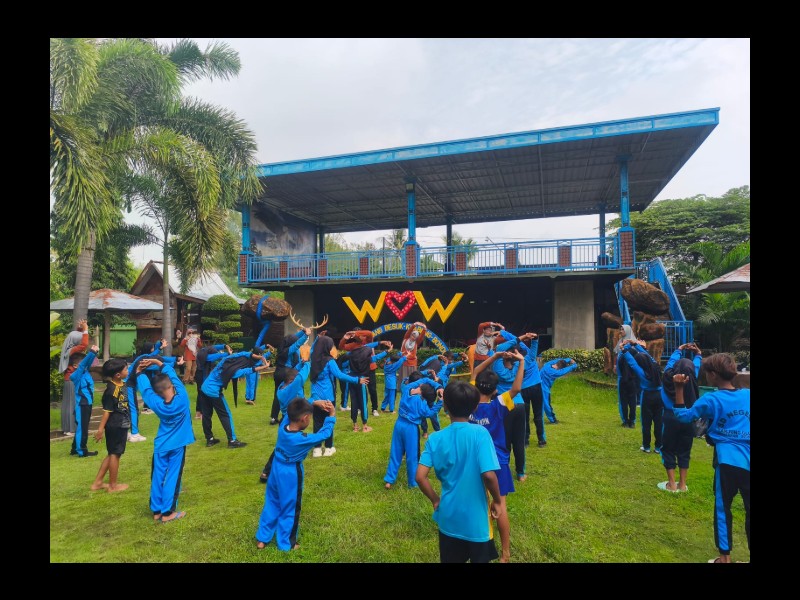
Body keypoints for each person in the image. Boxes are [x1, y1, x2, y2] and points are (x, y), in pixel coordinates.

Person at [671, 353, 749, 564]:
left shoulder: (711, 399)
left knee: (723, 509)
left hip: (727, 462)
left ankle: (724, 558)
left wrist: (679, 389)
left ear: (713, 375)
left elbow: (683, 416)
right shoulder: (748, 396)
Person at [416, 381, 504, 563]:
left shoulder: (435, 438)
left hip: (448, 519)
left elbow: (420, 477)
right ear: (475, 407)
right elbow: (489, 475)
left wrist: (435, 500)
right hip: (477, 522)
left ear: (445, 406)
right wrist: (497, 500)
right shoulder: (480, 434)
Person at [256, 397, 336, 551]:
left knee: (272, 502)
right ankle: (287, 543)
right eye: (309, 418)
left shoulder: (283, 425)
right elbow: (324, 434)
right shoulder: (300, 439)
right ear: (305, 418)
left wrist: (313, 402)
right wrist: (331, 415)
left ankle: (262, 539)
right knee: (290, 507)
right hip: (290, 473)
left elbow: (292, 408)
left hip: (276, 468)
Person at [471, 348, 526, 562]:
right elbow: (517, 388)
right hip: (498, 462)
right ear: (495, 390)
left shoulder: (469, 403)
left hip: (475, 461)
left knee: (478, 503)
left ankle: (477, 541)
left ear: (477, 386)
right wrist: (521, 361)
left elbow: (476, 372)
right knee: (500, 505)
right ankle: (505, 553)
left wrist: (493, 357)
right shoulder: (499, 404)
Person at [136, 358, 195, 523]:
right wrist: (157, 362)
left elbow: (146, 390)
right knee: (172, 476)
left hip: (161, 445)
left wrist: (139, 372)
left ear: (157, 392)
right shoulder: (182, 398)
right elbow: (173, 376)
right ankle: (168, 513)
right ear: (171, 386)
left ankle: (156, 511)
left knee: (158, 476)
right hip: (177, 445)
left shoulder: (155, 402)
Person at [383, 371, 443, 489]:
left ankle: (389, 481)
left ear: (420, 386)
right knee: (412, 456)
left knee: (395, 452)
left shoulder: (407, 389)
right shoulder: (422, 402)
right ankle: (413, 483)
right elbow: (430, 413)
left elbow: (424, 380)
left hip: (399, 424)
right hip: (411, 428)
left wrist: (437, 386)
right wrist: (440, 402)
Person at [309, 334, 366, 457]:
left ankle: (317, 449)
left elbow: (313, 349)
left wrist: (317, 339)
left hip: (315, 398)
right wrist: (357, 380)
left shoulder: (312, 359)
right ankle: (328, 448)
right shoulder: (329, 361)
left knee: (317, 423)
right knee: (329, 421)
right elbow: (340, 375)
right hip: (328, 397)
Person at [200, 349, 269, 448]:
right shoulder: (235, 372)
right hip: (214, 392)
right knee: (225, 415)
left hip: (204, 389)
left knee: (206, 415)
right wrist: (264, 366)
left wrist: (253, 355)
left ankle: (209, 439)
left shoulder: (225, 360)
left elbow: (240, 354)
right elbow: (250, 370)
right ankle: (232, 441)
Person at [658, 342, 703, 492]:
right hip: (688, 418)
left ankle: (671, 484)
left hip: (670, 418)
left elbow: (670, 364)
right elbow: (695, 366)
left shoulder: (667, 379)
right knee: (685, 450)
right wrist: (698, 354)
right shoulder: (691, 379)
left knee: (668, 449)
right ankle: (682, 485)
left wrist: (678, 350)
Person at [90, 358, 131, 493]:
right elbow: (107, 412)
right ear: (117, 375)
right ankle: (113, 486)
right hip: (116, 425)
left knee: (112, 453)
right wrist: (100, 429)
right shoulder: (111, 390)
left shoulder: (122, 384)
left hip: (122, 424)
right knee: (115, 454)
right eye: (126, 369)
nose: (127, 370)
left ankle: (97, 483)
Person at [619, 343, 662, 453]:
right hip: (659, 396)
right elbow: (649, 356)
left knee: (646, 423)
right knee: (659, 423)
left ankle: (646, 447)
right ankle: (658, 447)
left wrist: (624, 350)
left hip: (647, 396)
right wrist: (636, 345)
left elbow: (632, 363)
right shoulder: (656, 367)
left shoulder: (642, 373)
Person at [270, 327, 310, 425]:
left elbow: (292, 339)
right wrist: (306, 335)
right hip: (285, 373)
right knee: (293, 392)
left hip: (278, 372)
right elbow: (296, 344)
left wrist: (302, 331)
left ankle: (274, 417)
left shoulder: (283, 345)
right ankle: (294, 413)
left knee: (278, 394)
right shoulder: (289, 350)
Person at [58, 318, 89, 436]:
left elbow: (79, 340)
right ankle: (71, 429)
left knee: (68, 404)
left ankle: (67, 428)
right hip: (72, 380)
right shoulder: (72, 350)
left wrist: (80, 329)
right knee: (72, 404)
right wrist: (85, 330)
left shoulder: (69, 349)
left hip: (68, 379)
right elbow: (84, 345)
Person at [69, 345, 100, 458]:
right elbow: (83, 365)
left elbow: (86, 363)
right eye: (82, 363)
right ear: (75, 366)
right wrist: (91, 352)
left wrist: (94, 353)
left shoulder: (85, 372)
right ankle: (82, 451)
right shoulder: (76, 376)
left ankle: (74, 448)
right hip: (82, 405)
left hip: (87, 404)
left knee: (81, 427)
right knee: (83, 428)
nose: (85, 364)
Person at [540, 358, 578, 425]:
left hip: (536, 386)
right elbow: (564, 370)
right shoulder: (555, 372)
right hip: (544, 390)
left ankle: (538, 418)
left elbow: (555, 360)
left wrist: (568, 359)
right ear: (560, 368)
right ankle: (553, 420)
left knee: (540, 404)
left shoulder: (547, 365)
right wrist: (574, 365)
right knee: (547, 405)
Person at [194, 340, 227, 419]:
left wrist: (225, 346)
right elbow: (215, 356)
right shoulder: (206, 357)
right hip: (201, 375)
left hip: (201, 374)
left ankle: (200, 412)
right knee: (202, 394)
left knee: (202, 393)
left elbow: (214, 347)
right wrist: (227, 354)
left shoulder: (206, 350)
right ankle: (200, 413)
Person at [614, 324, 639, 428]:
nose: (621, 331)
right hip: (622, 376)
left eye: (623, 329)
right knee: (623, 400)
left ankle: (631, 420)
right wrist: (615, 366)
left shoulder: (633, 345)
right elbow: (617, 355)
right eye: (620, 329)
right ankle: (625, 420)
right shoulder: (620, 342)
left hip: (631, 377)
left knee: (631, 400)